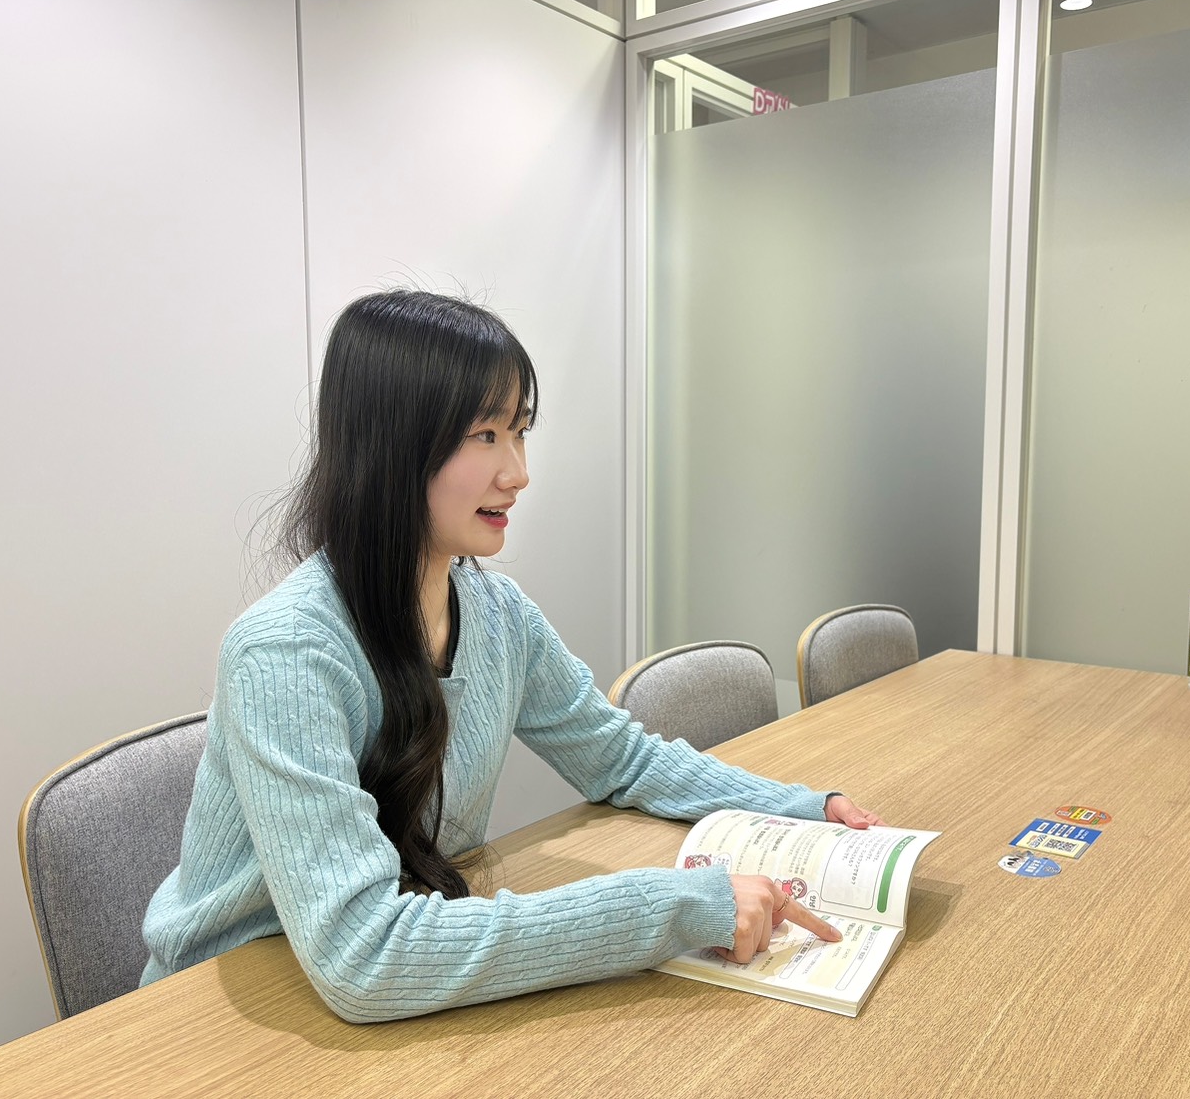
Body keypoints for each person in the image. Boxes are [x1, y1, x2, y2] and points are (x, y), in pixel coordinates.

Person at [141, 289, 882, 1023]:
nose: (518, 472)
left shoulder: (496, 613)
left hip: (391, 978)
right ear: (390, 448)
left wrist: (801, 810)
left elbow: (619, 759)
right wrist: (674, 905)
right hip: (220, 1014)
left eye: (519, 431)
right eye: (484, 435)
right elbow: (364, 957)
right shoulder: (285, 652)